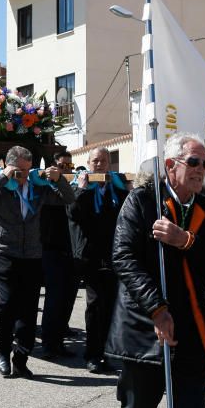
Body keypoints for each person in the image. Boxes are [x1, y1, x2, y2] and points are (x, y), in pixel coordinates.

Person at [106, 133, 205, 408]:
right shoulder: (141, 201)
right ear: (169, 166)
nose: (201, 169)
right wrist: (157, 309)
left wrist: (186, 240)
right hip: (145, 329)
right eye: (193, 162)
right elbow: (124, 257)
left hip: (190, 332)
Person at [0, 145, 76, 379]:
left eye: (27, 171)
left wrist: (59, 180)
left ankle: (21, 357)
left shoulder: (37, 189)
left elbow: (68, 199)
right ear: (9, 167)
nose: (23, 176)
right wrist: (1, 178)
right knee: (7, 304)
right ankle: (3, 351)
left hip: (32, 255)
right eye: (19, 171)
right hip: (3, 252)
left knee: (29, 309)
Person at [70, 147, 129, 373]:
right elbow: (73, 213)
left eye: (103, 161)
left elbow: (126, 213)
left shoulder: (116, 188)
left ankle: (108, 351)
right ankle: (92, 354)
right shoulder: (82, 186)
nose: (99, 164)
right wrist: (83, 189)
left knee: (112, 306)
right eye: (95, 160)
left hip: (113, 256)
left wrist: (130, 190)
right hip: (91, 257)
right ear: (88, 162)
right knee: (95, 307)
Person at [39, 150, 79, 358]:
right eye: (62, 166)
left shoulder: (69, 183)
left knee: (66, 298)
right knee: (54, 299)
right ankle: (48, 344)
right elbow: (67, 199)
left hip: (68, 248)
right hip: (51, 247)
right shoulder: (45, 188)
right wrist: (60, 180)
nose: (66, 170)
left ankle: (58, 340)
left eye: (69, 167)